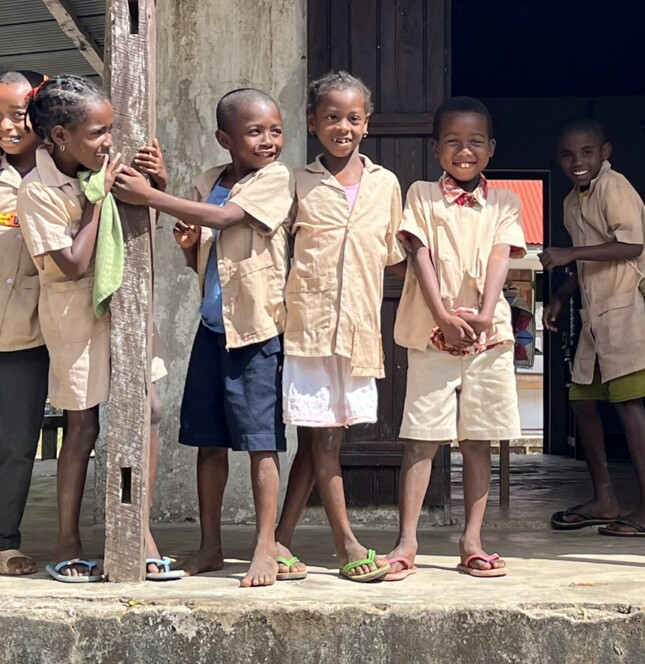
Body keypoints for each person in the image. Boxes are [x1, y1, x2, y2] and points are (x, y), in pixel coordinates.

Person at [114, 88, 293, 587]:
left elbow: (225, 218)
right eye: (255, 131)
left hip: (257, 331)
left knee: (261, 444)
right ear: (225, 138)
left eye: (275, 130)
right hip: (213, 327)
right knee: (208, 442)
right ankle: (210, 546)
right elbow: (200, 248)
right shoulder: (208, 181)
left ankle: (264, 549)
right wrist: (182, 226)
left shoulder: (275, 180)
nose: (269, 141)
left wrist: (151, 195)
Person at [17, 74, 174, 582]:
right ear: (60, 137)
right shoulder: (38, 190)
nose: (109, 142)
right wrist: (96, 200)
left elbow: (143, 214)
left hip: (124, 310)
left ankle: (139, 530)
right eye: (97, 133)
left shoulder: (104, 166)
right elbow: (73, 263)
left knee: (148, 408)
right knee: (81, 426)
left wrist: (156, 183)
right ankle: (68, 539)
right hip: (73, 316)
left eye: (111, 129)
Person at [385, 96, 525, 579]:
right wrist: (443, 315)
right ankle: (406, 543)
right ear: (434, 148)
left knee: (477, 441)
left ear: (491, 149)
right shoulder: (421, 194)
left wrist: (486, 314)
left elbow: (500, 255)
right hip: (432, 332)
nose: (464, 152)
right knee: (422, 439)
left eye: (475, 143)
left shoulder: (505, 200)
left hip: (489, 338)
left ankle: (472, 539)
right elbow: (418, 256)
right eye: (452, 143)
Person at [274, 71, 404, 582]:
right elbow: (271, 249)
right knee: (324, 440)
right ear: (312, 121)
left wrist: (447, 289)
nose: (342, 127)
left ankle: (280, 541)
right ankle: (348, 545)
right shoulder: (296, 183)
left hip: (357, 331)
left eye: (353, 118)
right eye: (331, 117)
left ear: (366, 124)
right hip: (308, 329)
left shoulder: (385, 184)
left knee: (322, 440)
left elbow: (395, 256)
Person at [541, 118, 645, 538]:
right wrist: (562, 293)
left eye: (586, 152)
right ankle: (604, 499)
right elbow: (588, 262)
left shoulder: (613, 187)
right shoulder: (570, 202)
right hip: (596, 322)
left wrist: (567, 254)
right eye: (567, 154)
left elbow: (632, 245)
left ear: (604, 153)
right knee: (582, 401)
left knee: (630, 407)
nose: (576, 161)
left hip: (628, 314)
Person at [0, 70, 50, 577]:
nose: (9, 127)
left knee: (17, 445)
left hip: (27, 337)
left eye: (17, 116)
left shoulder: (56, 175)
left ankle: (4, 541)